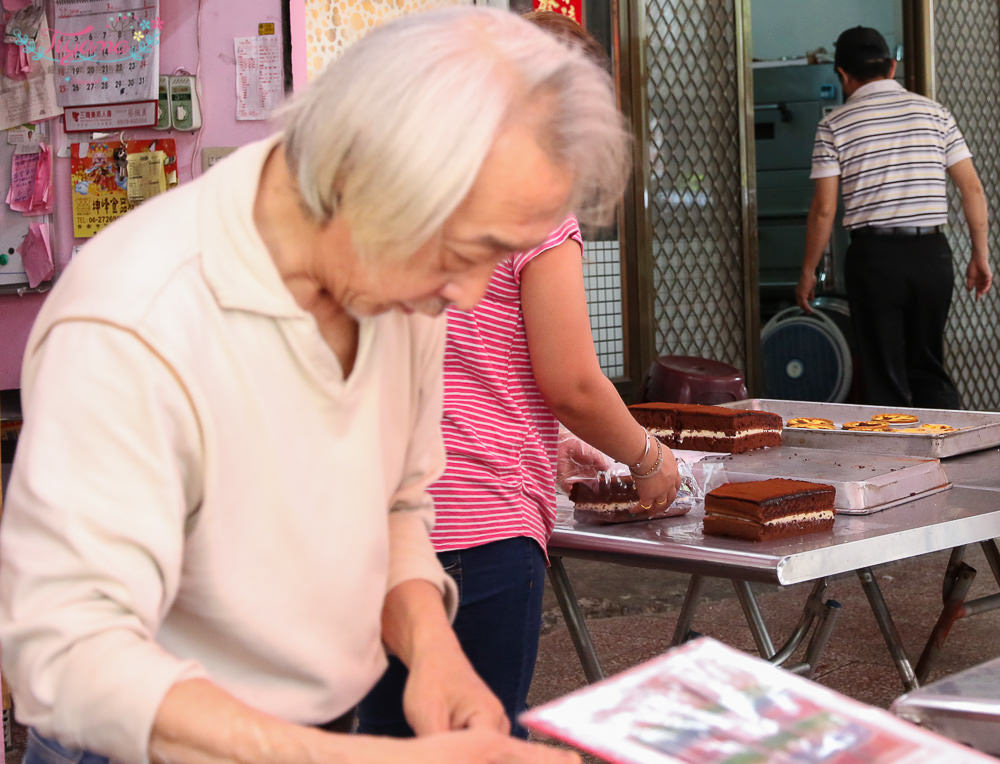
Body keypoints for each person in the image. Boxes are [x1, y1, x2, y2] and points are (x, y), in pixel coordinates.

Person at [0, 7, 631, 762]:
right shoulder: (136, 316)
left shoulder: (399, 283)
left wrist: (430, 647)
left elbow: (396, 500)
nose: (467, 295)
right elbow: (65, 653)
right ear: (364, 174)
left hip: (319, 725)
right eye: (468, 251)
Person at [357, 10, 680, 741]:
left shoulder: (402, 196)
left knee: (385, 737)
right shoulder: (533, 207)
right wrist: (651, 458)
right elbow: (570, 380)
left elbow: (446, 371)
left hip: (377, 525)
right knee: (479, 739)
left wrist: (542, 436)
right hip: (478, 527)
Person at [796, 26, 991, 409]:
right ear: (891, 68)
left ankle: (902, 465)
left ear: (842, 75)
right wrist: (979, 254)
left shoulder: (834, 125)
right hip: (932, 255)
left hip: (875, 260)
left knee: (885, 373)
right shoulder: (936, 114)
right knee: (928, 364)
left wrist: (808, 270)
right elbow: (973, 189)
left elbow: (824, 209)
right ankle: (954, 458)